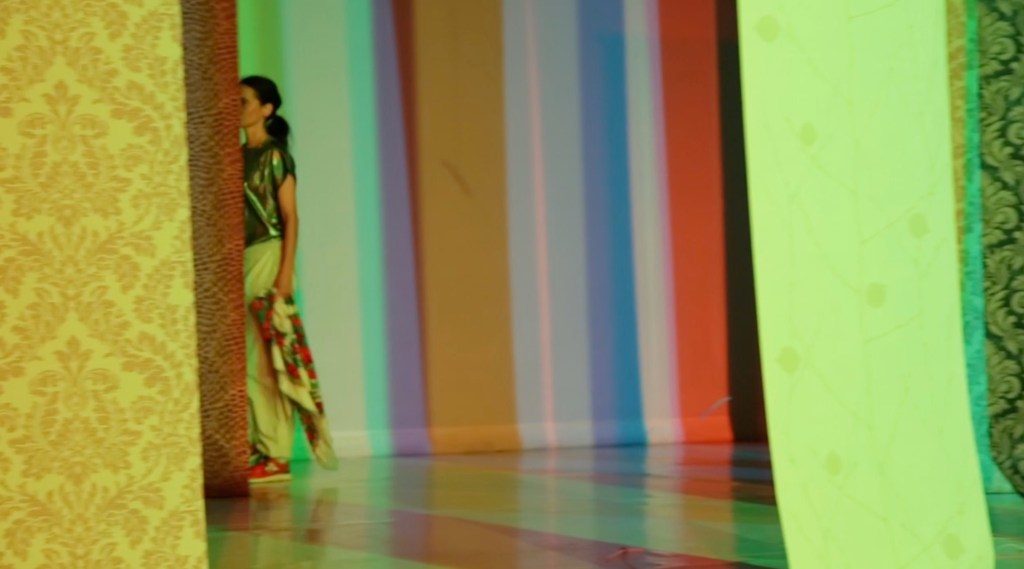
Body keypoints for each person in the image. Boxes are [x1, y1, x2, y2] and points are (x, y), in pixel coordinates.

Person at [240, 75, 301, 483]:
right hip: (244, 257)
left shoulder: (275, 155)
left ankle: (276, 452)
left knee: (263, 356)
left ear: (267, 109)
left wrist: (284, 274)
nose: (237, 107)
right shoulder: (238, 155)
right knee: (247, 356)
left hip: (268, 253)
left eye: (244, 101)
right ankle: (258, 445)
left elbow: (290, 216)